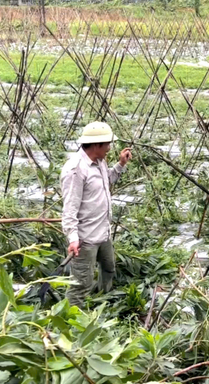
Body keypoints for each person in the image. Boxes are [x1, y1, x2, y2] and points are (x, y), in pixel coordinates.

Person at [60, 122, 132, 308]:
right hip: (86, 238)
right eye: (107, 144)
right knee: (81, 283)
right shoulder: (75, 170)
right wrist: (73, 238)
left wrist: (121, 164)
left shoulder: (99, 162)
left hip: (103, 233)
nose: (109, 148)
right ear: (97, 145)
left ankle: (101, 306)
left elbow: (106, 181)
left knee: (108, 268)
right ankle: (73, 323)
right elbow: (69, 208)